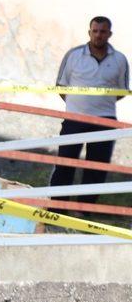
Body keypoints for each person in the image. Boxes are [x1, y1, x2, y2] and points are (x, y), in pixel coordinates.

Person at [49, 16, 129, 209]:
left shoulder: (120, 59)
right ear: (89, 32)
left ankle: (84, 210)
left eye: (103, 31)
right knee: (65, 163)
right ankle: (57, 208)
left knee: (97, 167)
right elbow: (61, 86)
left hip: (105, 120)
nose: (98, 35)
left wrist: (100, 104)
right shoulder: (74, 55)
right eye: (95, 31)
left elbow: (122, 91)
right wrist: (78, 106)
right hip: (74, 119)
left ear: (109, 34)